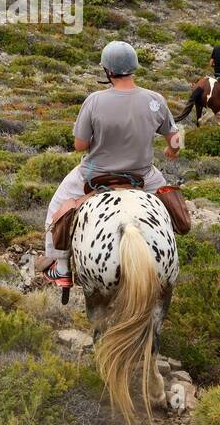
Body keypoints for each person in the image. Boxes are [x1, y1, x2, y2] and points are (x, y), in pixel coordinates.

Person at [41, 41, 180, 288]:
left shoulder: (94, 101)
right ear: (134, 67)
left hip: (95, 174)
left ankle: (60, 267)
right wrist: (172, 148)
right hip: (143, 175)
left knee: (57, 208)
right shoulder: (155, 100)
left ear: (108, 70)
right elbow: (174, 137)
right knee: (173, 207)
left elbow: (80, 145)